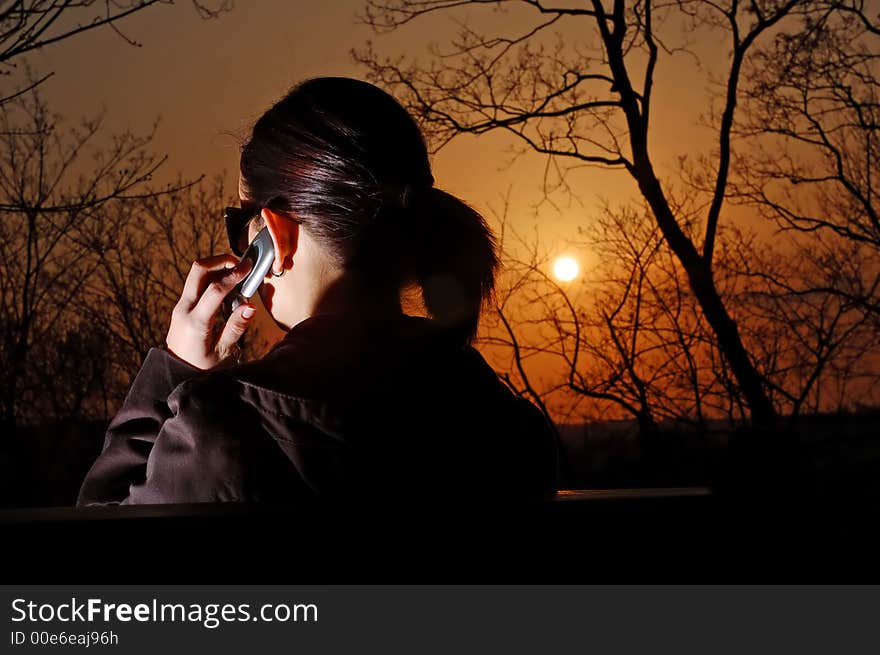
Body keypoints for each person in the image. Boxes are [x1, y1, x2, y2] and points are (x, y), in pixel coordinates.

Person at [76, 76, 559, 507]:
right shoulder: (501, 421)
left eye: (240, 222)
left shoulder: (220, 430)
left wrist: (173, 373)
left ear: (274, 235)